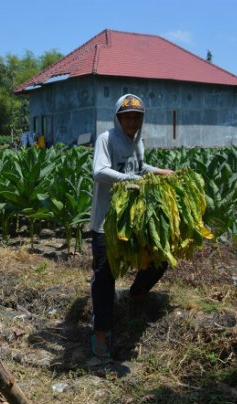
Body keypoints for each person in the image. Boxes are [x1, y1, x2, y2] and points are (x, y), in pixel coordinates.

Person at [89, 94, 173, 360]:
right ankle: (101, 332)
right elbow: (99, 171)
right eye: (127, 116)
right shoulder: (107, 139)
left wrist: (160, 171)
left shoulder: (138, 141)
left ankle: (136, 296)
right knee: (105, 277)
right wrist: (128, 179)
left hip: (135, 220)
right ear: (118, 118)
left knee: (158, 261)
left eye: (136, 117)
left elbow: (139, 166)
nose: (132, 121)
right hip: (106, 223)